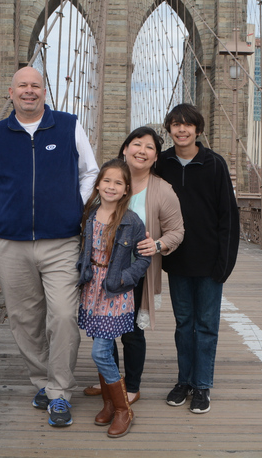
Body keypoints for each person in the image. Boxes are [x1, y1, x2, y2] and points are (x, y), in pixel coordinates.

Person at [0, 66, 99, 427]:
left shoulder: (67, 126)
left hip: (61, 241)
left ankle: (59, 393)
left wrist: (73, 207)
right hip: (10, 242)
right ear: (10, 91)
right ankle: (43, 383)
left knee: (63, 315)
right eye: (22, 86)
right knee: (25, 319)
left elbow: (90, 172)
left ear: (44, 92)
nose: (29, 91)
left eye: (35, 85)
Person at [82, 127, 184, 403]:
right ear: (124, 149)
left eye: (149, 147)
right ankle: (111, 383)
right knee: (105, 329)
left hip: (134, 273)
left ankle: (132, 387)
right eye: (136, 143)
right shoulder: (106, 184)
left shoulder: (162, 190)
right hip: (100, 274)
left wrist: (158, 245)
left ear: (155, 157)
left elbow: (177, 231)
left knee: (130, 332)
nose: (142, 150)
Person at [156, 103, 240, 414]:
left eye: (187, 125)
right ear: (169, 129)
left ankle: (202, 385)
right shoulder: (161, 163)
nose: (181, 129)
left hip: (209, 263)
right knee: (183, 325)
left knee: (206, 326)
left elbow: (228, 218)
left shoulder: (214, 164)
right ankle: (184, 381)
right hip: (177, 261)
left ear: (198, 130)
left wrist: (225, 264)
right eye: (175, 124)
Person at [76, 159, 151, 438]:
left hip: (115, 291)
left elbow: (144, 256)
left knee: (99, 352)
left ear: (126, 190)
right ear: (98, 184)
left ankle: (123, 410)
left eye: (118, 183)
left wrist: (126, 279)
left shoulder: (131, 221)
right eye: (107, 181)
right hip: (91, 289)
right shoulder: (90, 215)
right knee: (102, 349)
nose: (111, 186)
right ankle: (108, 403)